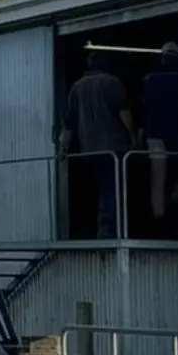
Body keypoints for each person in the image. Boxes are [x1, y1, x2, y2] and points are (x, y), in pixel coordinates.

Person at [63, 51, 134, 239]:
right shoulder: (112, 83)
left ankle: (94, 228)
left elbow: (69, 123)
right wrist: (133, 138)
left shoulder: (76, 87)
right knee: (113, 189)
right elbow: (124, 114)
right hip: (114, 146)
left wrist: (63, 148)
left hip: (88, 148)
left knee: (97, 189)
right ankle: (110, 231)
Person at [139, 42, 178, 238]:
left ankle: (159, 221)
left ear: (162, 57)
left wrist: (140, 136)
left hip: (155, 135)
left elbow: (143, 109)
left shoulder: (150, 78)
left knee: (158, 181)